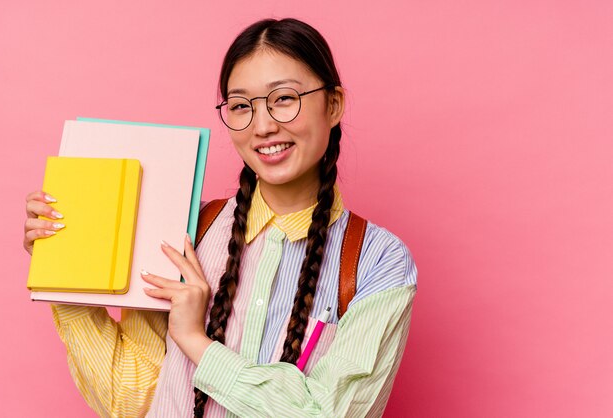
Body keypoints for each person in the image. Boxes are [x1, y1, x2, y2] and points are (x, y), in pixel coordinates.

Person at [23, 18, 418, 418]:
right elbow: (132, 398)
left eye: (284, 98)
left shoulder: (377, 262)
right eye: (242, 106)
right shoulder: (184, 229)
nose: (263, 127)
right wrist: (62, 270)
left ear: (333, 104)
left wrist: (196, 342)